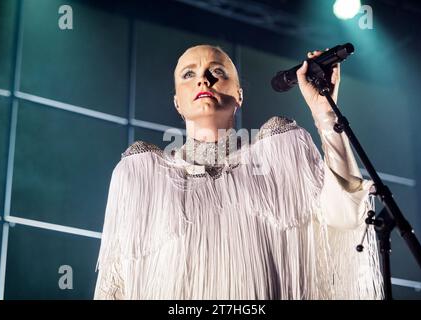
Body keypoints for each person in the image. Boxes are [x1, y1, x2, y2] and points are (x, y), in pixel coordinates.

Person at [94, 44, 383, 300]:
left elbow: (346, 214)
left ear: (239, 94)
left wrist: (325, 112)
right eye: (188, 75)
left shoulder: (280, 152)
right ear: (177, 103)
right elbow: (114, 286)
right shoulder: (142, 175)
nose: (203, 80)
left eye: (217, 71)